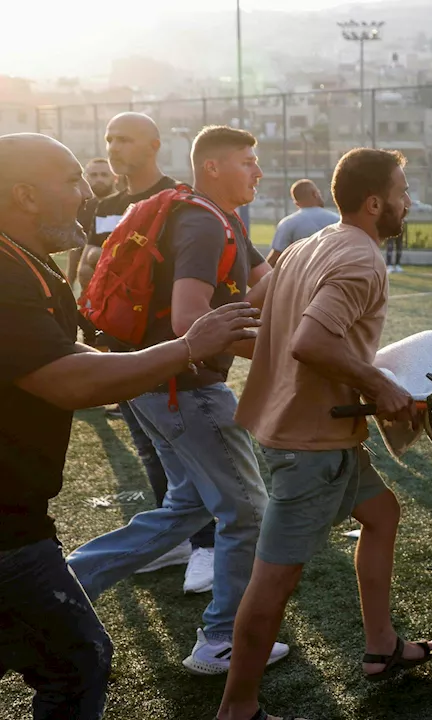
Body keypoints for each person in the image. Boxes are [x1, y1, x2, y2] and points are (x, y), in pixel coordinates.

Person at [0, 132, 259, 720]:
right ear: (25, 195)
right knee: (78, 661)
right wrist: (187, 348)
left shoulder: (27, 262)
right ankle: (222, 638)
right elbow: (68, 381)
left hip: (19, 518)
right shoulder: (5, 272)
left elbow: (79, 362)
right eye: (71, 181)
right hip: (7, 528)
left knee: (187, 508)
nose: (87, 192)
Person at [218, 147, 432, 720]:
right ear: (375, 203)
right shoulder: (361, 260)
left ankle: (381, 646)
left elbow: (254, 312)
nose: (408, 202)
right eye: (402, 193)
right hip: (308, 444)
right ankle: (237, 708)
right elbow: (311, 342)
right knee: (275, 579)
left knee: (382, 514)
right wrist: (378, 383)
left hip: (309, 430)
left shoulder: (304, 246)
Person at [66, 125, 290, 673]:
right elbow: (192, 323)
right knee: (247, 511)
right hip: (186, 389)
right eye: (248, 161)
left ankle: (65, 580)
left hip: (157, 388)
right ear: (212, 167)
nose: (258, 171)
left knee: (187, 504)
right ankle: (221, 640)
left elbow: (269, 281)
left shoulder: (222, 218)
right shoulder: (203, 223)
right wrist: (285, 355)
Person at [80, 113, 222, 592]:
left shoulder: (177, 200)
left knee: (188, 453)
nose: (115, 147)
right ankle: (180, 540)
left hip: (167, 348)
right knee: (149, 447)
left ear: (155, 145)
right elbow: (94, 267)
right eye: (109, 139)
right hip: (120, 348)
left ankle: (207, 545)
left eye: (126, 139)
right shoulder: (106, 205)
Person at [264, 179, 339, 266]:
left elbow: (275, 257)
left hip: (298, 277)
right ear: (315, 194)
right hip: (330, 275)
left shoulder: (288, 223)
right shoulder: (337, 220)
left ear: (296, 202)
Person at [68, 157, 115, 291]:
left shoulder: (125, 206)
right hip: (88, 283)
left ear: (114, 177)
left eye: (104, 175)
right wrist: (70, 282)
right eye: (94, 175)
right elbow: (76, 248)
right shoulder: (82, 207)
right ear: (86, 178)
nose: (99, 179)